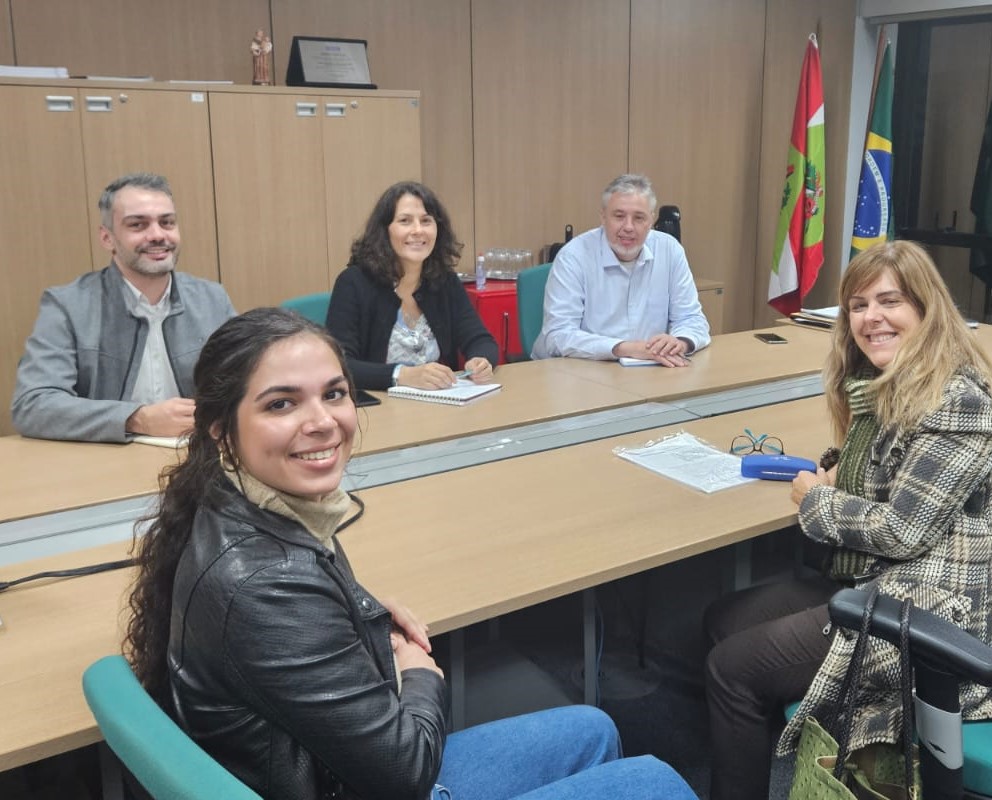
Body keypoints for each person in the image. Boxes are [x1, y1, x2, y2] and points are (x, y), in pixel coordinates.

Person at [123, 307, 696, 800]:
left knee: (592, 727)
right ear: (222, 429)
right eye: (281, 404)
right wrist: (420, 672)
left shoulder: (244, 502)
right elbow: (407, 772)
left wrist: (359, 613)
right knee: (652, 780)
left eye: (334, 394)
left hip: (327, 769)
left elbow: (304, 603)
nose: (322, 422)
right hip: (368, 783)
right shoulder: (264, 584)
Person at [702, 242, 992, 800]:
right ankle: (793, 765)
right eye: (858, 305)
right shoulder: (893, 385)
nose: (871, 318)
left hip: (930, 602)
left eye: (889, 301)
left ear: (925, 308)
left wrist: (818, 501)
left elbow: (902, 530)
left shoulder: (957, 399)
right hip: (885, 576)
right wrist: (843, 468)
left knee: (731, 668)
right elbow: (902, 468)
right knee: (725, 618)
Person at [11, 172, 235, 443]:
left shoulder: (212, 298)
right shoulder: (68, 306)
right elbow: (33, 405)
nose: (157, 235)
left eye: (167, 222)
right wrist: (137, 418)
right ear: (107, 238)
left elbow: (248, 384)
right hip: (107, 464)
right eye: (137, 225)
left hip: (201, 458)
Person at [326, 181, 498, 391]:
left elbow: (480, 339)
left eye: (426, 221)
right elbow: (340, 364)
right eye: (405, 221)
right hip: (379, 409)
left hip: (442, 406)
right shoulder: (353, 283)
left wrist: (481, 361)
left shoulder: (444, 281)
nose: (418, 230)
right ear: (385, 230)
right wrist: (402, 375)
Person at [530, 174, 710, 366]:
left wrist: (680, 342)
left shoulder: (669, 250)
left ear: (651, 220)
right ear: (603, 217)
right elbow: (558, 335)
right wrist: (624, 348)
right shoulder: (573, 257)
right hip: (576, 370)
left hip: (649, 368)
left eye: (639, 218)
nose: (628, 227)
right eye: (619, 216)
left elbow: (691, 318)